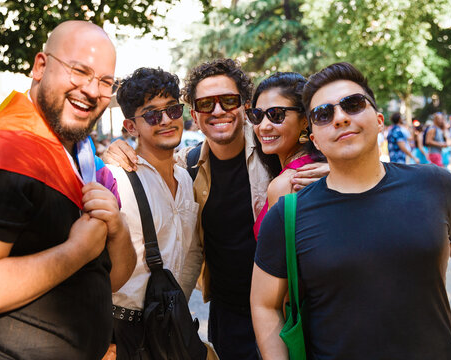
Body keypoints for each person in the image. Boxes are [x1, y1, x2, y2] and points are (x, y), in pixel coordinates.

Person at [103, 59, 329, 360]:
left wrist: (333, 166)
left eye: (229, 101)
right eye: (206, 104)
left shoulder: (274, 149)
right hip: (225, 317)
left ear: (245, 107)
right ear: (195, 114)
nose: (219, 110)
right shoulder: (187, 167)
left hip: (284, 311)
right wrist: (113, 150)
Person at [0, 21, 136, 359]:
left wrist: (117, 228)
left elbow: (110, 279)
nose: (91, 89)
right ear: (40, 66)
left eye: (104, 82)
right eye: (79, 71)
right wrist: (77, 250)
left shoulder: (81, 158)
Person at [251, 62, 451, 360]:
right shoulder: (287, 213)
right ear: (314, 137)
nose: (340, 118)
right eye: (323, 114)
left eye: (353, 105)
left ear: (379, 120)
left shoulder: (436, 185)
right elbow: (264, 305)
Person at [102, 67, 211, 359]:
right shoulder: (116, 177)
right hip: (121, 333)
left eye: (173, 109)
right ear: (130, 126)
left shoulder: (186, 178)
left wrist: (178, 311)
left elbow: (188, 255)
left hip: (169, 326)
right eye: (152, 115)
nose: (166, 120)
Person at [247, 72, 324, 240]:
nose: (264, 126)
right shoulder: (321, 168)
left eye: (276, 115)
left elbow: (279, 262)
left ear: (305, 120)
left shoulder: (288, 184)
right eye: (258, 115)